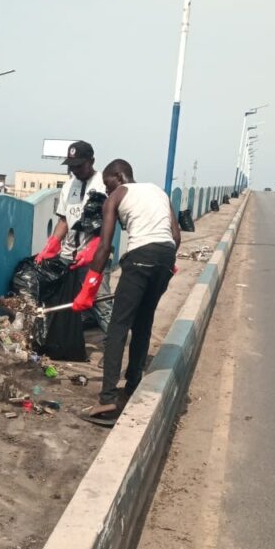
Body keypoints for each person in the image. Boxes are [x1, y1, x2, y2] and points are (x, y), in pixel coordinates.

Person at [72, 159, 181, 426]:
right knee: (143, 324)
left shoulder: (117, 196)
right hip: (165, 257)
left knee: (118, 328)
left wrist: (89, 289)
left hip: (139, 259)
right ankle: (132, 388)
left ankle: (108, 399)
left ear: (119, 176)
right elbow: (175, 235)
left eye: (108, 183)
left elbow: (105, 247)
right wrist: (166, 264)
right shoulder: (158, 192)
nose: (107, 191)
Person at [35, 140, 112, 332]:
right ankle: (68, 343)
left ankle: (112, 349)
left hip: (94, 257)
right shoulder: (69, 186)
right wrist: (52, 245)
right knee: (67, 302)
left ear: (91, 161)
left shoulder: (105, 184)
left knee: (101, 304)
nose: (75, 170)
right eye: (71, 166)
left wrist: (94, 248)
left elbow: (110, 222)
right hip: (68, 256)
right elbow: (63, 220)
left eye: (79, 165)